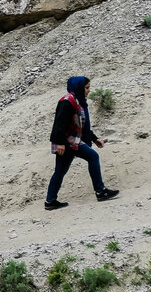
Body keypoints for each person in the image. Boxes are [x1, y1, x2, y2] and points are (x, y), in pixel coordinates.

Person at [45, 76, 120, 210]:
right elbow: (58, 124)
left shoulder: (78, 101)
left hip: (72, 141)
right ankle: (101, 191)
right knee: (93, 157)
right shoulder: (67, 101)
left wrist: (94, 139)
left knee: (60, 171)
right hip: (68, 143)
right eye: (87, 87)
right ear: (79, 87)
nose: (89, 90)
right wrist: (60, 143)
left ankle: (50, 201)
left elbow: (82, 126)